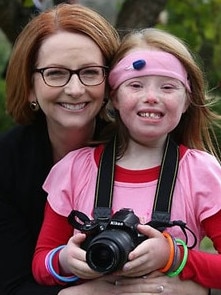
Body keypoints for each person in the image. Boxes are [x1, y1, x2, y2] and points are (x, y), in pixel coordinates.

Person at [32, 27, 221, 293]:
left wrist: (174, 257)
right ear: (115, 98)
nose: (152, 97)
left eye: (168, 87)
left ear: (187, 100)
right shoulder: (74, 170)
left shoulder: (200, 172)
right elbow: (42, 264)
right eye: (135, 85)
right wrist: (65, 260)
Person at [0, 3, 120, 295]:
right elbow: (11, 286)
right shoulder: (6, 162)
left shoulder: (144, 151)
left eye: (90, 72)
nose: (76, 89)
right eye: (55, 73)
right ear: (30, 86)